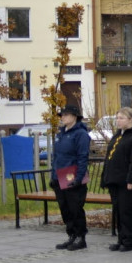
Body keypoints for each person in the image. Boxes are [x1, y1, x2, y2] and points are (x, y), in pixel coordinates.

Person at [101, 108, 132, 252]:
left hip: (127, 181)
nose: (118, 121)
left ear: (130, 119)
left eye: (121, 118)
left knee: (128, 211)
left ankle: (130, 240)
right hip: (115, 180)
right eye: (117, 118)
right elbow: (109, 158)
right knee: (119, 211)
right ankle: (121, 238)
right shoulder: (118, 136)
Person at [52, 104, 91, 250]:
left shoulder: (80, 134)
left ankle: (81, 237)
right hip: (60, 175)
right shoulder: (61, 134)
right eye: (62, 115)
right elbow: (56, 156)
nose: (63, 117)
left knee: (75, 208)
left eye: (66, 115)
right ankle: (71, 235)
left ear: (75, 116)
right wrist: (53, 175)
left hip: (73, 174)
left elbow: (82, 157)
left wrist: (79, 178)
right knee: (65, 208)